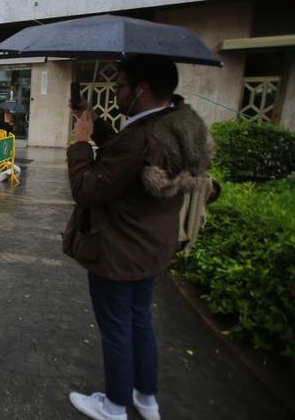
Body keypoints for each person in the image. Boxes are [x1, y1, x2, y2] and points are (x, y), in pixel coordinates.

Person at [64, 55, 213, 420]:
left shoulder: (140, 138)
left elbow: (88, 189)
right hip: (150, 248)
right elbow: (127, 158)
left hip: (118, 250)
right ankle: (146, 399)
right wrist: (93, 121)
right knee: (140, 322)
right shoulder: (173, 126)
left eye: (121, 86)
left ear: (141, 89)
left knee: (116, 328)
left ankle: (114, 406)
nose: (117, 91)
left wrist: (81, 143)